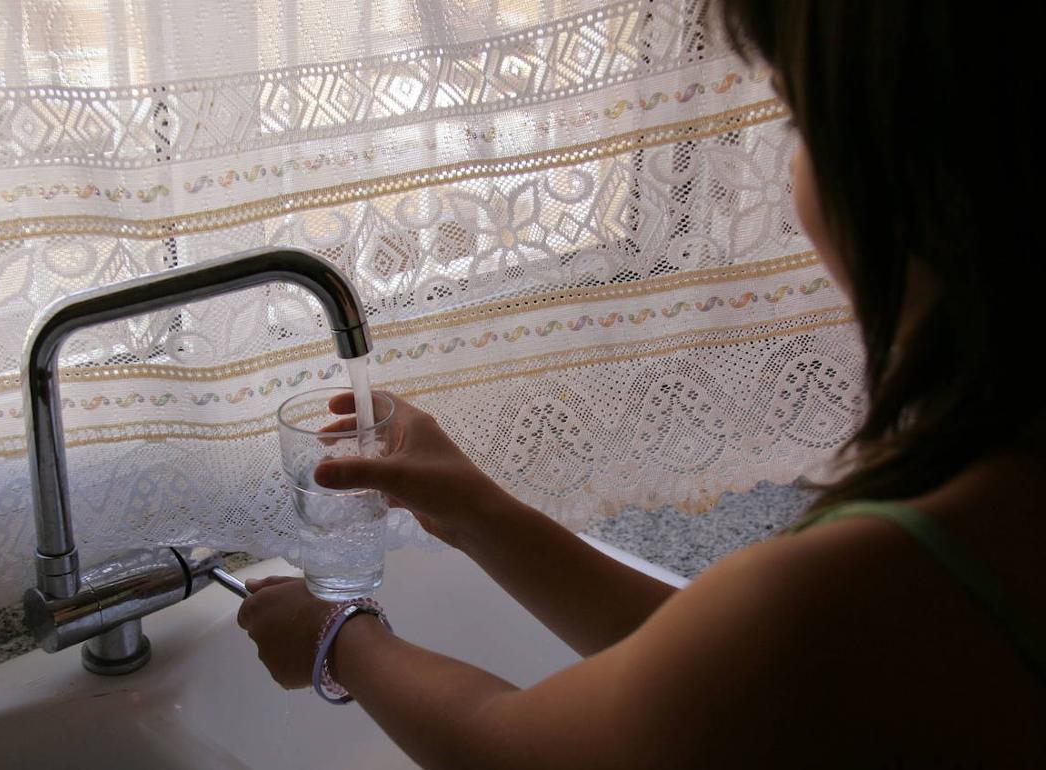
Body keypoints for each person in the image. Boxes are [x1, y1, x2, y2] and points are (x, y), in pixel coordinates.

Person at [237, 1, 1046, 766]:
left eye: (798, 121)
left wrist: (339, 640)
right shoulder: (984, 512)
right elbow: (717, 676)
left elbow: (520, 750)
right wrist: (477, 512)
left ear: (909, 172)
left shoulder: (858, 584)